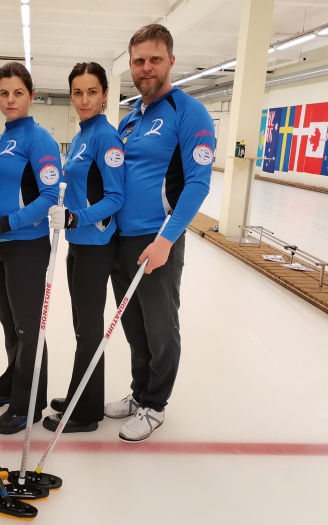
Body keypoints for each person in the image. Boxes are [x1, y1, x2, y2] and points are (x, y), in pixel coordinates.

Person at [105, 24, 214, 442]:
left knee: (160, 326)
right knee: (133, 325)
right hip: (121, 240)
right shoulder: (130, 119)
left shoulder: (188, 112)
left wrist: (166, 240)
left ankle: (155, 404)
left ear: (171, 61)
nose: (146, 68)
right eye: (139, 61)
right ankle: (139, 392)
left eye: (154, 59)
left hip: (157, 239)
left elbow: (198, 184)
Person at [0, 62, 61, 435]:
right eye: (4, 93)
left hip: (26, 245)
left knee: (28, 328)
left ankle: (30, 402)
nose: (10, 100)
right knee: (10, 324)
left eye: (18, 93)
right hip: (0, 246)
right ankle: (13, 381)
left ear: (31, 95)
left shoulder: (38, 139)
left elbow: (49, 196)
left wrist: (8, 222)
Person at [42, 62, 125, 433]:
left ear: (104, 94)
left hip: (95, 244)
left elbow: (115, 198)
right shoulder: (80, 136)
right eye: (78, 92)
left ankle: (85, 412)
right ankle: (81, 394)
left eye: (92, 92)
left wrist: (77, 218)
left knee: (89, 329)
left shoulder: (106, 137)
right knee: (82, 327)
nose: (85, 99)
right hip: (77, 243)